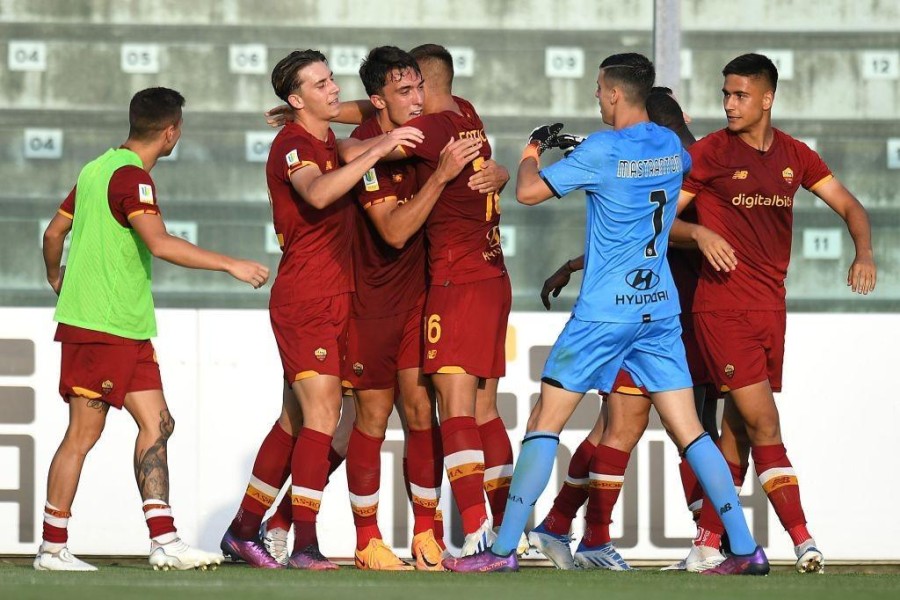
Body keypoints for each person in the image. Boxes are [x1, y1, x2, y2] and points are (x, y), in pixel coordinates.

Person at [444, 52, 768, 576]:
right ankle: (745, 546)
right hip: (658, 307)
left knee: (544, 422)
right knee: (690, 429)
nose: (597, 97)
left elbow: (527, 191)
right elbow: (669, 162)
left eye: (599, 89)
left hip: (604, 310)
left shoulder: (600, 150)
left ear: (615, 94)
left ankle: (502, 551)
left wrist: (534, 148)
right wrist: (596, 152)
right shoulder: (667, 145)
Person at [37, 87, 269, 571]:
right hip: (101, 327)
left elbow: (53, 233)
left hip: (127, 326)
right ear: (171, 131)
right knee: (83, 434)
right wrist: (230, 264)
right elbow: (159, 243)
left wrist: (57, 276)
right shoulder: (131, 179)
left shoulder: (96, 169)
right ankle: (52, 547)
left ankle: (165, 541)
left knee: (158, 424)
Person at [670, 53, 876, 574]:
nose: (729, 104)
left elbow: (852, 207)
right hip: (722, 308)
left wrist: (864, 253)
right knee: (765, 420)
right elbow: (656, 221)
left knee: (738, 429)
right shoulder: (709, 152)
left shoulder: (795, 155)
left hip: (770, 308)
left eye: (740, 95)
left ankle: (706, 543)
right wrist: (699, 232)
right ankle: (803, 540)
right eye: (725, 94)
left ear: (767, 98)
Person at [219, 49, 422, 570]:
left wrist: (380, 137)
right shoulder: (293, 143)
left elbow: (357, 130)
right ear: (296, 99)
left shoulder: (324, 138)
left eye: (331, 79)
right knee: (325, 415)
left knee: (295, 419)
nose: (333, 89)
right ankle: (304, 542)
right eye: (321, 83)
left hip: (338, 296)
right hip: (307, 297)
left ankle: (245, 529)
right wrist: (378, 150)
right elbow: (316, 193)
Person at [526, 89, 718, 571]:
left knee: (630, 427)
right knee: (626, 426)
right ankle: (592, 535)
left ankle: (561, 526)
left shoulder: (692, 158)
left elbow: (652, 222)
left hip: (683, 310)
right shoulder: (682, 154)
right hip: (657, 310)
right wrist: (575, 262)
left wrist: (697, 233)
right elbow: (641, 229)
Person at [340, 44, 518, 557]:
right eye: (404, 91)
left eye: (418, 87)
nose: (415, 99)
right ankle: (374, 539)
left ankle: (462, 535)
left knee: (441, 411)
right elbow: (392, 225)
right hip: (449, 284)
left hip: (447, 285)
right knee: (464, 411)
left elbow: (356, 148)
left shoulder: (437, 127)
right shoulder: (462, 115)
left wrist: (340, 132)